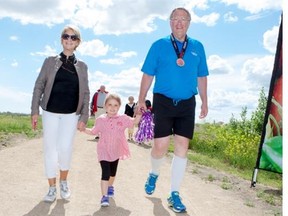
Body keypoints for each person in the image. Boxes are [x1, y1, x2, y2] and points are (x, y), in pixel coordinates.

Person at [137, 7, 208, 213]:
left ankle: (174, 193)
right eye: (175, 19)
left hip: (187, 102)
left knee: (182, 147)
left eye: (183, 19)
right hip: (163, 101)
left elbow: (202, 76)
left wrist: (204, 100)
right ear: (170, 22)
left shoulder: (197, 47)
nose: (179, 23)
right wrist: (141, 98)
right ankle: (154, 172)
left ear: (189, 23)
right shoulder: (158, 45)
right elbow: (148, 74)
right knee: (160, 147)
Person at [31, 24, 90, 203]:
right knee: (50, 150)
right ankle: (51, 188)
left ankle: (64, 181)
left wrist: (84, 117)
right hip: (49, 112)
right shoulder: (50, 61)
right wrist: (34, 110)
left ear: (78, 42)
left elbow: (86, 92)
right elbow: (39, 85)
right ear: (61, 39)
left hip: (71, 114)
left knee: (65, 149)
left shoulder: (82, 66)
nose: (69, 40)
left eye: (73, 37)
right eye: (66, 36)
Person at [83, 93, 141, 207]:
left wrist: (139, 113)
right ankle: (104, 197)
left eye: (115, 105)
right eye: (110, 104)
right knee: (106, 173)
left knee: (112, 173)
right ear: (105, 106)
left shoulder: (123, 118)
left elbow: (134, 122)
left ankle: (110, 186)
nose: (112, 107)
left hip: (116, 151)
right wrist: (83, 129)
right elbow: (93, 131)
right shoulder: (100, 120)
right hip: (103, 150)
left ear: (119, 106)